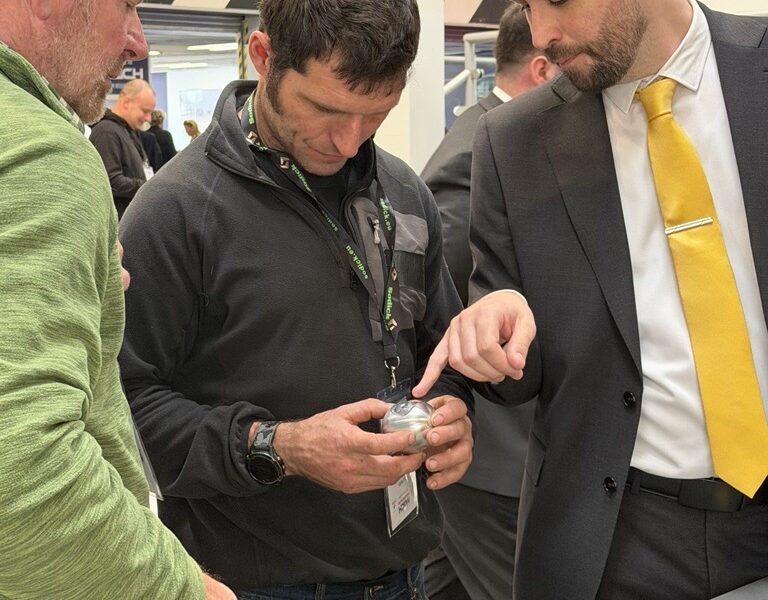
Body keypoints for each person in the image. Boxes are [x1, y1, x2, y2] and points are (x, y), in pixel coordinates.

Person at [118, 0, 473, 599]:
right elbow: (122, 410)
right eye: (325, 109)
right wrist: (280, 446)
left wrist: (451, 410)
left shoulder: (405, 190)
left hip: (403, 572)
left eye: (376, 115)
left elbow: (440, 350)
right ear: (263, 56)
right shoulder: (176, 211)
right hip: (248, 582)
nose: (348, 140)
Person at [414, 1, 768, 599]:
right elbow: (513, 376)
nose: (541, 36)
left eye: (556, 1)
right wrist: (493, 337)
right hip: (618, 541)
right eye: (526, 7)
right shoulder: (513, 142)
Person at [0, 1, 234, 598]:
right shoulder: (41, 153)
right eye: (126, 3)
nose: (137, 40)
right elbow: (20, 474)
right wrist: (185, 588)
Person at [420, 5, 556, 599]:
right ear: (543, 69)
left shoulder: (502, 136)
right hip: (492, 452)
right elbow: (443, 298)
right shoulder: (480, 150)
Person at [90, 78, 156, 219]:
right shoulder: (106, 131)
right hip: (120, 225)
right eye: (145, 111)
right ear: (126, 102)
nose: (149, 118)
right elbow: (110, 181)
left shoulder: (127, 131)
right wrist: (148, 186)